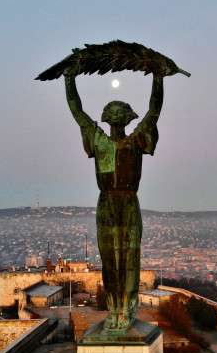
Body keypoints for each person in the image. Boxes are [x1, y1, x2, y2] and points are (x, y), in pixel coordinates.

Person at [64, 71, 164, 331]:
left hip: (128, 202)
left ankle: (126, 308)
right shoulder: (97, 139)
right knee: (110, 258)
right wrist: (69, 79)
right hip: (107, 202)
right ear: (107, 117)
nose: (117, 115)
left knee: (129, 258)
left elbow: (154, 111)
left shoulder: (137, 139)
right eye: (113, 111)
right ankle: (114, 308)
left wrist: (158, 78)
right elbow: (77, 112)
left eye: (121, 111)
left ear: (128, 117)